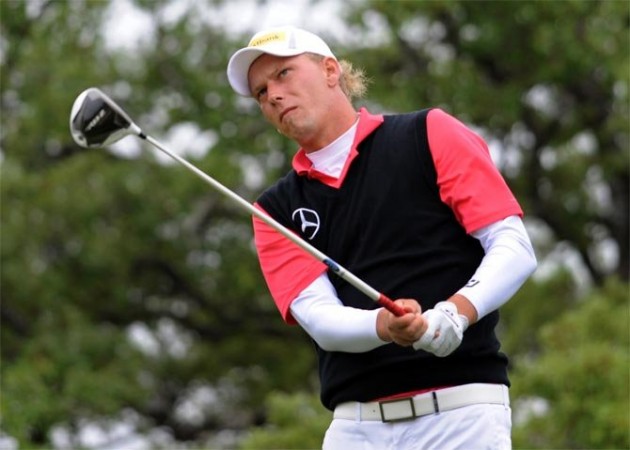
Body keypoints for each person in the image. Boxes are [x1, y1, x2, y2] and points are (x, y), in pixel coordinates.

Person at [227, 25, 537, 449]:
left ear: (331, 71)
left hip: (462, 414)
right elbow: (320, 318)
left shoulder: (428, 133)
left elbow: (513, 246)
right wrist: (385, 326)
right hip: (356, 428)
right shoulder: (275, 209)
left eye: (283, 74)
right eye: (261, 92)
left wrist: (455, 313)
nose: (274, 96)